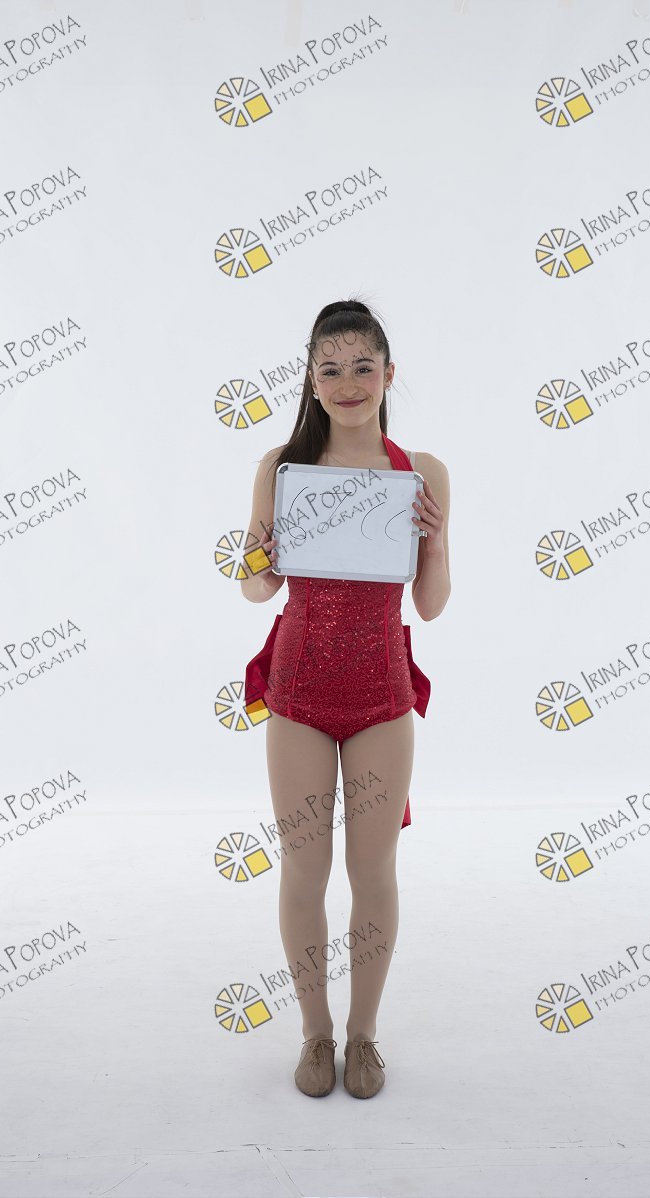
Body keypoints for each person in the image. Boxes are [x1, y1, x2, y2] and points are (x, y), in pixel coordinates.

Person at [240, 299, 451, 1099]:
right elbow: (257, 588)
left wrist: (435, 536)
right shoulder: (281, 467)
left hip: (381, 695)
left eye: (364, 366)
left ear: (389, 374)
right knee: (305, 865)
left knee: (373, 868)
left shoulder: (420, 471)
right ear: (311, 380)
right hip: (298, 689)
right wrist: (258, 554)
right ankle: (315, 1032)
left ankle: (363, 1036)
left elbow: (430, 604)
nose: (349, 382)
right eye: (331, 368)